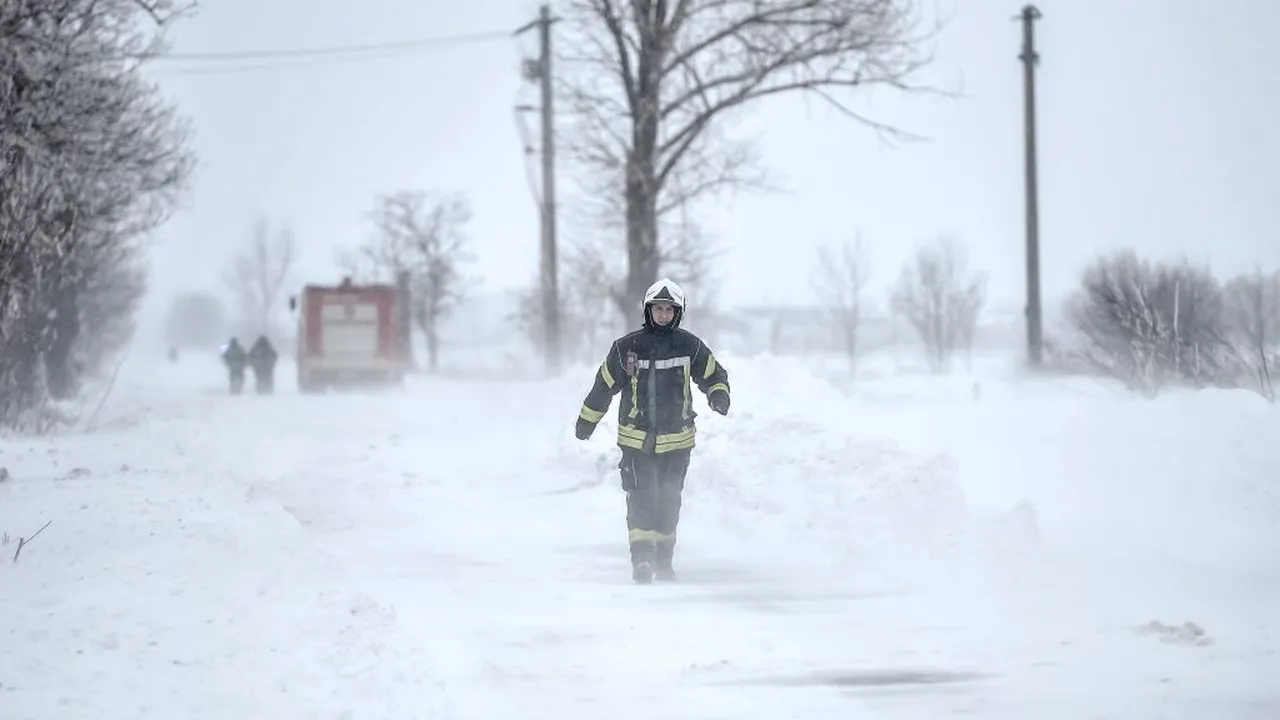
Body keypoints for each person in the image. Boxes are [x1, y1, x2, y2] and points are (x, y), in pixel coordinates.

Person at [574, 277, 731, 584]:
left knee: (669, 500)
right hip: (637, 442)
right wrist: (586, 421)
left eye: (668, 310)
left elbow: (714, 374)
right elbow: (603, 386)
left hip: (678, 441)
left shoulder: (690, 346)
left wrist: (718, 394)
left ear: (678, 313)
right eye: (657, 309)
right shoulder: (626, 348)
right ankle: (642, 560)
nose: (662, 315)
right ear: (648, 311)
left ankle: (664, 560)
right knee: (642, 498)